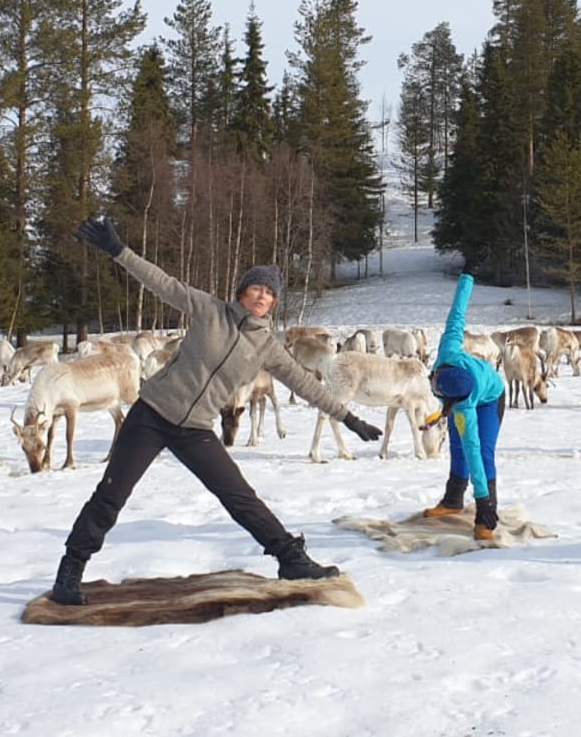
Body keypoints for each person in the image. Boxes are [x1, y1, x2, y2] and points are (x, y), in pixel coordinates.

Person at [48, 217, 384, 606]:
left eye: (269, 292)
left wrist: (349, 417)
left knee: (240, 496)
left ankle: (290, 558)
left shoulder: (267, 346)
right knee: (111, 494)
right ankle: (70, 570)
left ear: (274, 302)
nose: (262, 295)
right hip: (152, 414)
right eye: (256, 287)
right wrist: (118, 251)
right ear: (242, 292)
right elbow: (161, 282)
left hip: (195, 428)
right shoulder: (209, 310)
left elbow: (305, 383)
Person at [420, 273, 509, 541]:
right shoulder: (448, 349)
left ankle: (486, 515)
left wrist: (482, 501)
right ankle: (453, 500)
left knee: (481, 452)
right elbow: (457, 313)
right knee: (456, 445)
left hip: (491, 399)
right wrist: (467, 279)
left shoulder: (465, 406)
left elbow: (474, 453)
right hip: (470, 391)